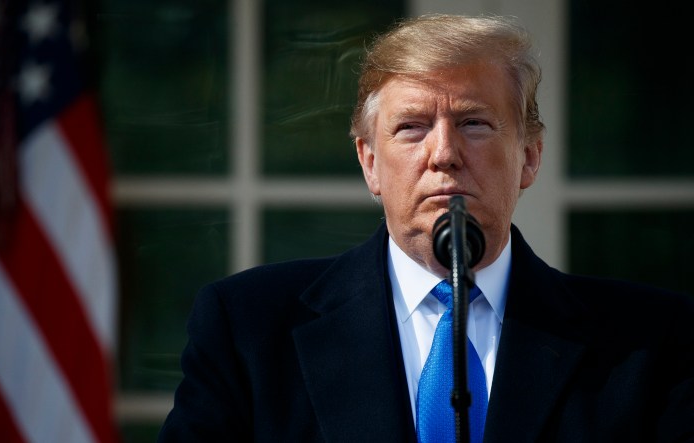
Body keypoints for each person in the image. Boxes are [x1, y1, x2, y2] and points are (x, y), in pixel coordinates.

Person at [157, 13, 694, 442]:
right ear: (370, 163)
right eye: (412, 127)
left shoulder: (652, 342)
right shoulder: (248, 327)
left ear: (530, 156)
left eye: (474, 123)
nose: (444, 154)